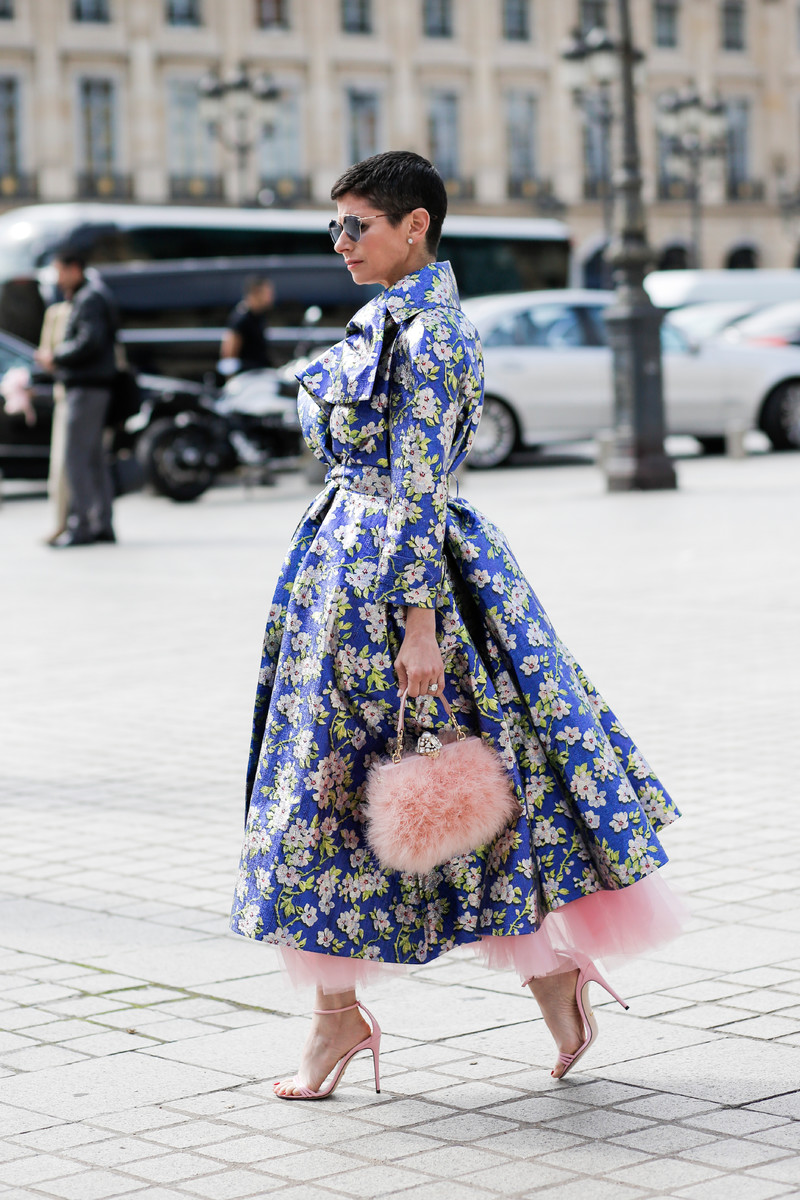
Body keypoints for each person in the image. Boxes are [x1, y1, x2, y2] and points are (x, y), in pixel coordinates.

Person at [230, 151, 684, 1100]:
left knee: (451, 784)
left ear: (416, 227)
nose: (341, 242)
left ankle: (538, 976)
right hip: (342, 581)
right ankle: (362, 1011)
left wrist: (419, 625)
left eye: (357, 225)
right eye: (335, 225)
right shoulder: (383, 317)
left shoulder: (433, 335)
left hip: (402, 585)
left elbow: (418, 489)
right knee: (329, 800)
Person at [35, 252, 118, 547]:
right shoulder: (93, 295)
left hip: (85, 387)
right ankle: (101, 523)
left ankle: (81, 525)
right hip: (94, 387)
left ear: (74, 269)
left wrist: (56, 356)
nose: (57, 279)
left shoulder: (89, 298)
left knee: (75, 459)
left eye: (60, 271)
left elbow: (89, 341)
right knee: (93, 459)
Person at [37, 300, 73, 544]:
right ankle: (64, 523)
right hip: (68, 392)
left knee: (86, 465)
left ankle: (90, 523)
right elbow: (45, 355)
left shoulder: (94, 302)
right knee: (63, 465)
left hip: (91, 393)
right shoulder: (56, 313)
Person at [220, 275, 275, 374]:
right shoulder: (240, 318)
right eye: (267, 293)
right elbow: (228, 354)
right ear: (256, 292)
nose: (270, 297)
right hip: (246, 376)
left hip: (262, 372)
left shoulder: (260, 316)